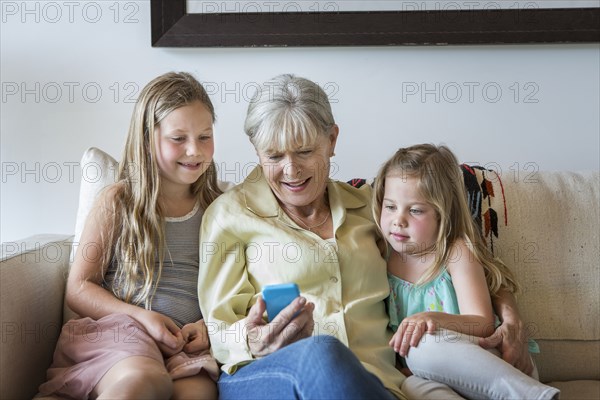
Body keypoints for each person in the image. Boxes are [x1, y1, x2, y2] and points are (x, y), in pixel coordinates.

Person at [197, 74, 533, 400]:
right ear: (256, 151)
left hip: (376, 383)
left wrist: (509, 315)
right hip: (268, 376)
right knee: (322, 352)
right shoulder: (230, 216)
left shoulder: (375, 208)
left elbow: (451, 255)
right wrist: (252, 339)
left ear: (332, 140)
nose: (291, 170)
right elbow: (218, 327)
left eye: (303, 152)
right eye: (274, 156)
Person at [38, 72, 222, 400]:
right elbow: (78, 288)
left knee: (199, 394)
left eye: (204, 136)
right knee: (144, 381)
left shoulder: (218, 208)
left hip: (184, 346)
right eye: (178, 138)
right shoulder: (118, 201)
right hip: (122, 334)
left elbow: (228, 288)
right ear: (148, 138)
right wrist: (143, 318)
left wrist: (205, 326)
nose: (194, 150)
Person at [373, 143, 560, 399]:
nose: (398, 219)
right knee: (412, 385)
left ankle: (533, 396)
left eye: (415, 210)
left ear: (442, 213)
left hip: (493, 363)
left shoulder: (455, 252)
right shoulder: (380, 257)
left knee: (423, 347)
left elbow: (482, 324)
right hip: (433, 374)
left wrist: (432, 320)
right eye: (390, 206)